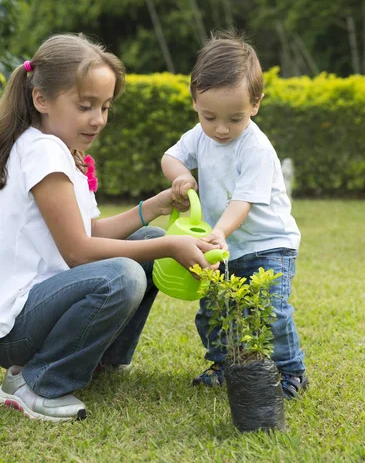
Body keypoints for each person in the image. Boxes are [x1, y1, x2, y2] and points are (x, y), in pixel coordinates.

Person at [0, 33, 218, 423]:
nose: (98, 119)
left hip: (41, 306)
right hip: (14, 325)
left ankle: (100, 361)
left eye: (105, 106)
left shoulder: (61, 150)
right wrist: (170, 247)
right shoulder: (42, 152)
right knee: (123, 274)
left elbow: (93, 231)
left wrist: (156, 205)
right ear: (41, 99)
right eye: (85, 106)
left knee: (147, 241)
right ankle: (37, 383)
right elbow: (79, 251)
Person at [161, 30, 308, 399]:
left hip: (267, 245)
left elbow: (242, 201)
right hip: (222, 245)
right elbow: (171, 156)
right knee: (213, 310)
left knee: (269, 310)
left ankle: (291, 371)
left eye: (235, 118)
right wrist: (180, 176)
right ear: (195, 99)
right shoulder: (199, 134)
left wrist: (220, 231)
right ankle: (222, 364)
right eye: (210, 116)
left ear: (256, 104)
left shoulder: (255, 147)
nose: (221, 129)